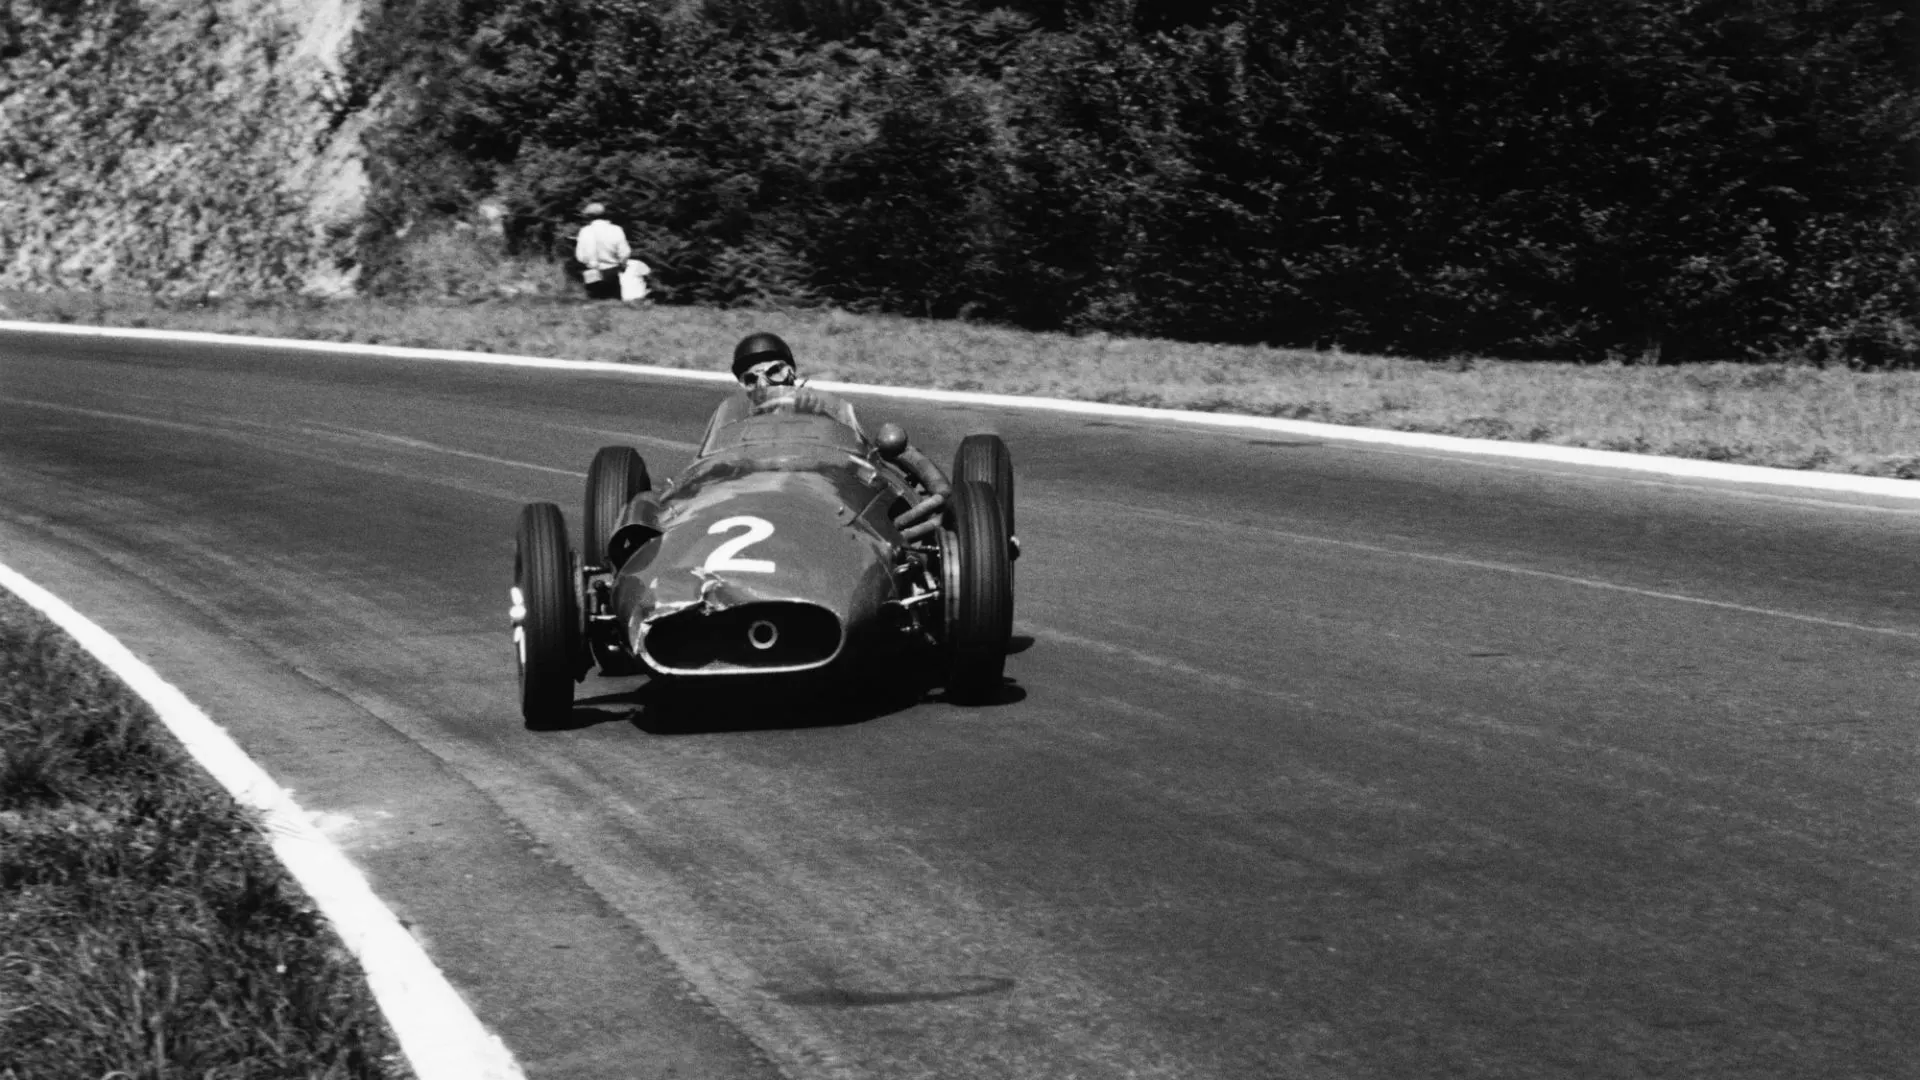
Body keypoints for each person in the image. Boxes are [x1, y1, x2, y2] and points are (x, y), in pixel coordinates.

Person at [574, 203, 630, 301]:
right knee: (614, 303)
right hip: (611, 270)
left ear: (589, 216)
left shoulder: (585, 231)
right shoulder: (616, 230)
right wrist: (623, 264)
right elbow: (625, 252)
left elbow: (580, 256)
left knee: (594, 302)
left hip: (591, 271)